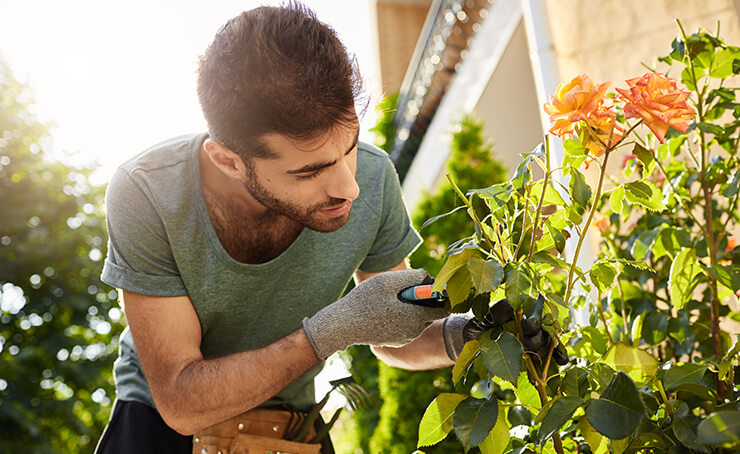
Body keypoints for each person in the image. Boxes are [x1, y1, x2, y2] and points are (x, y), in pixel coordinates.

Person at [93, 4, 462, 453]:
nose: (350, 187)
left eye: (349, 148)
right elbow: (182, 403)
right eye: (309, 171)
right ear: (228, 161)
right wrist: (332, 329)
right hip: (159, 429)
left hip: (292, 428)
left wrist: (466, 334)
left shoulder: (374, 174)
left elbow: (392, 335)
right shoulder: (149, 192)